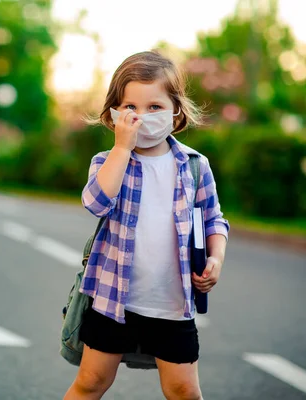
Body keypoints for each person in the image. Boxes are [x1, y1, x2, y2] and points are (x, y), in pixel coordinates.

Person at [64, 51, 230, 400]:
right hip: (113, 300)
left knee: (184, 390)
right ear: (113, 113)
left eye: (154, 107)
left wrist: (216, 259)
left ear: (176, 111)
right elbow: (96, 203)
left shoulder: (195, 165)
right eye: (130, 108)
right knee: (91, 383)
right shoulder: (107, 162)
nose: (142, 117)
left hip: (172, 303)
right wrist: (122, 149)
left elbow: (214, 219)